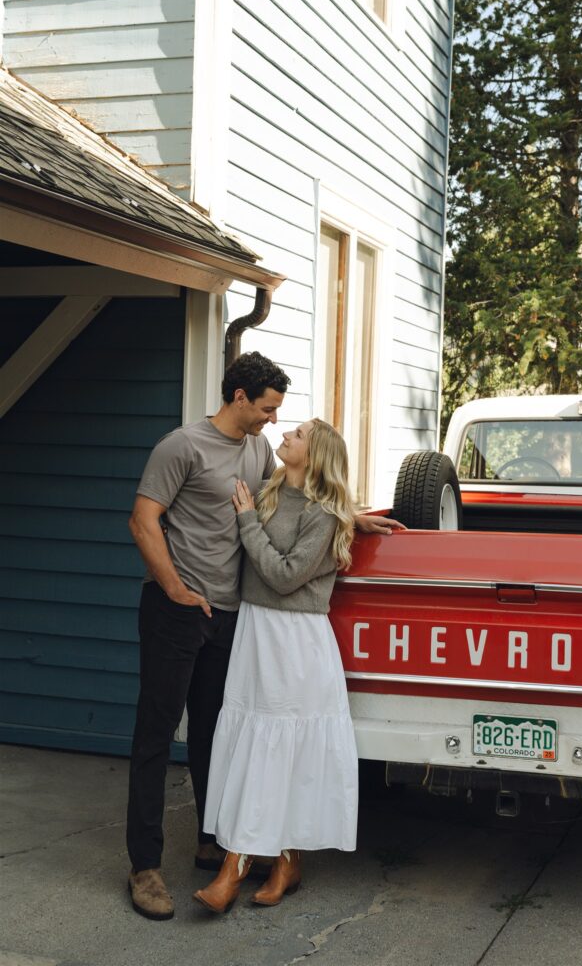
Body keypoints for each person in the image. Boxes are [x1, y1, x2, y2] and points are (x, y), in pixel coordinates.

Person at [126, 352, 403, 921]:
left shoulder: (257, 451)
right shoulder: (181, 447)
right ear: (239, 398)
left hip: (232, 617)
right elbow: (142, 520)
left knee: (213, 733)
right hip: (177, 610)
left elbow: (305, 497)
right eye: (269, 408)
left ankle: (212, 840)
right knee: (156, 735)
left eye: (281, 413)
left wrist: (353, 516)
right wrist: (176, 588)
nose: (274, 421)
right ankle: (144, 866)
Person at [193, 419, 358, 914]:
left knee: (284, 748)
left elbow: (286, 576)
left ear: (316, 454)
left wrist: (247, 523)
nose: (286, 434)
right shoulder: (267, 490)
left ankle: (241, 868)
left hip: (296, 640)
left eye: (300, 434)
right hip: (256, 632)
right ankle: (278, 860)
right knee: (255, 746)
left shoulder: (323, 512)